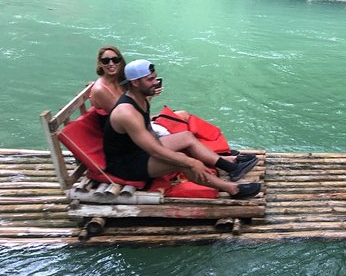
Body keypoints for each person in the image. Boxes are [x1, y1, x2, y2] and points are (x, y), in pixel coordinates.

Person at [103, 59, 261, 198]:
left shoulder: (141, 98)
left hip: (139, 149)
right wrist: (190, 161)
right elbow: (154, 151)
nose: (155, 82)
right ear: (135, 82)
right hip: (126, 164)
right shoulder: (126, 112)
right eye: (150, 80)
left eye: (155, 77)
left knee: (185, 137)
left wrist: (171, 146)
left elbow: (150, 133)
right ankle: (232, 189)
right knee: (181, 161)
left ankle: (230, 167)